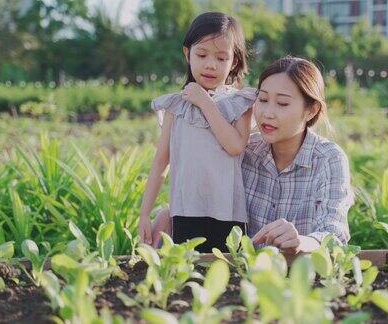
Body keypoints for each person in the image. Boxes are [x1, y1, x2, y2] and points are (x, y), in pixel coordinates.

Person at [149, 56, 354, 255]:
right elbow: (205, 194)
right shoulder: (245, 150)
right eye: (263, 100)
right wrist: (167, 215)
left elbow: (334, 233)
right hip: (240, 277)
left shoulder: (328, 159)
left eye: (282, 103)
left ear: (311, 110)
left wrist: (303, 241)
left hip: (302, 280)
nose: (267, 113)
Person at [137, 12, 256, 253]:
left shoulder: (239, 102)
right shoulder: (176, 106)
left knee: (227, 278)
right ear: (187, 53)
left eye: (221, 58)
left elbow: (235, 146)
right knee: (187, 278)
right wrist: (144, 213)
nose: (211, 64)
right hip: (187, 211)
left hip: (228, 213)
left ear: (233, 62)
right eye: (202, 55)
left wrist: (205, 103)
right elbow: (162, 161)